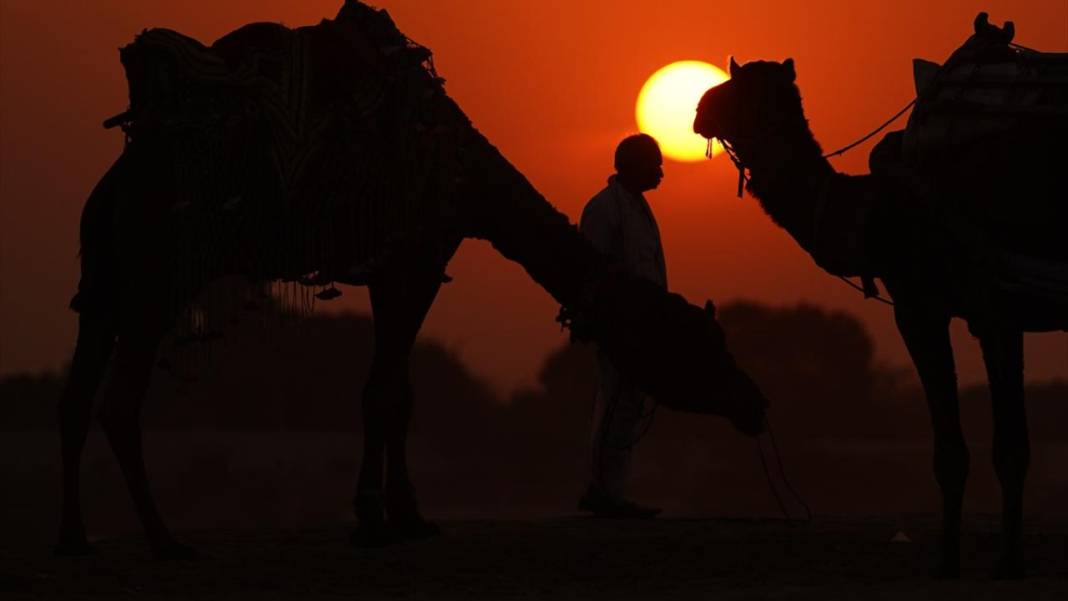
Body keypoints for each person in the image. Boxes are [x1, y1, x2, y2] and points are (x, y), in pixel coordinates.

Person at [577, 133, 666, 518]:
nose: (660, 172)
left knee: (628, 408)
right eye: (653, 164)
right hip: (616, 326)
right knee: (615, 406)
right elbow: (591, 271)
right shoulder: (604, 209)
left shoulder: (636, 207)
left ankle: (612, 493)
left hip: (643, 327)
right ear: (629, 166)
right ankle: (603, 494)